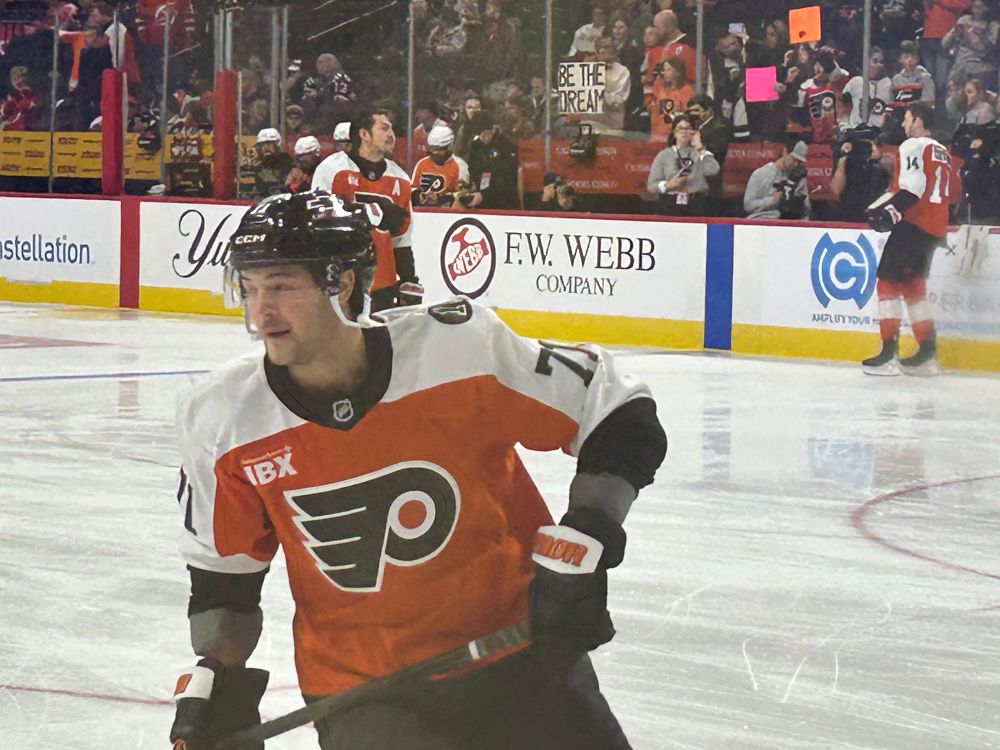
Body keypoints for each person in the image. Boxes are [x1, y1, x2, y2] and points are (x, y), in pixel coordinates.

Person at [168, 189, 667, 750]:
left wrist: (589, 529)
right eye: (250, 287)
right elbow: (224, 579)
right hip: (365, 695)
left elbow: (614, 407)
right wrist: (219, 674)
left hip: (522, 655)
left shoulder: (457, 349)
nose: (261, 311)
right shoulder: (224, 417)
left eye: (281, 286)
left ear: (342, 282)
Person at [863, 102, 953, 375]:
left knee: (888, 282)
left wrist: (890, 213)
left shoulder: (913, 145)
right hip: (935, 228)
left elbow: (913, 188)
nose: (903, 123)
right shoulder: (942, 151)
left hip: (914, 224)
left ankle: (888, 353)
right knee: (914, 288)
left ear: (919, 120)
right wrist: (879, 207)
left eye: (907, 117)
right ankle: (927, 353)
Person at [311, 106, 417, 312]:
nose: (391, 135)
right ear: (364, 134)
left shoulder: (401, 179)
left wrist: (408, 279)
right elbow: (319, 223)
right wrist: (367, 214)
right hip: (339, 282)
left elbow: (401, 240)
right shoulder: (332, 170)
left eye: (392, 129)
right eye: (384, 128)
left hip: (383, 285)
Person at [647, 113, 720, 216]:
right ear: (674, 132)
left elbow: (713, 170)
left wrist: (699, 147)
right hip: (671, 203)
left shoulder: (700, 153)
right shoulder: (664, 155)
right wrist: (668, 185)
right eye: (680, 128)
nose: (684, 132)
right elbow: (651, 185)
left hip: (696, 203)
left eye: (688, 128)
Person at [829, 126, 892, 222]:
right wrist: (843, 159)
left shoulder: (881, 162)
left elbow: (893, 177)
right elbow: (836, 190)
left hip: (876, 211)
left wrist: (876, 155)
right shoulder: (846, 160)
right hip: (850, 212)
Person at [465, 110, 521, 209]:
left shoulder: (506, 146)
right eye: (480, 135)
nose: (483, 138)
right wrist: (472, 185)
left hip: (504, 202)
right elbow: (473, 167)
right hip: (481, 199)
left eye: (486, 133)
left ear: (493, 128)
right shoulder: (476, 145)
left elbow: (507, 180)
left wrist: (484, 195)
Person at [743, 141, 809, 220]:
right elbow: (748, 205)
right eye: (794, 159)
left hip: (789, 222)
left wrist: (799, 199)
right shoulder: (761, 173)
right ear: (785, 152)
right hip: (763, 220)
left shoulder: (798, 177)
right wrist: (773, 200)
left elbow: (806, 210)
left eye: (799, 162)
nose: (795, 164)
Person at [410, 124, 469, 207]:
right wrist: (420, 195)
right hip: (422, 211)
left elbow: (464, 193)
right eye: (432, 149)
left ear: (449, 147)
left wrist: (442, 199)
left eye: (439, 150)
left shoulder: (460, 166)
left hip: (447, 211)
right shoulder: (422, 163)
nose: (435, 153)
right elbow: (412, 188)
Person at [251, 128, 293, 199]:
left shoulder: (285, 161)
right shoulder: (259, 164)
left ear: (277, 144)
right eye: (263, 144)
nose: (266, 147)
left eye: (269, 144)